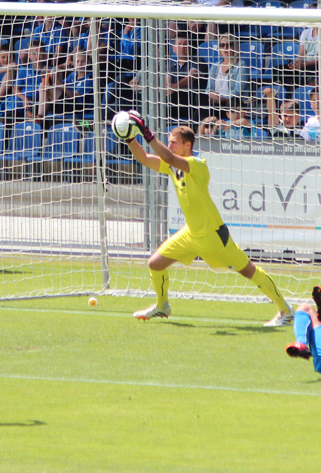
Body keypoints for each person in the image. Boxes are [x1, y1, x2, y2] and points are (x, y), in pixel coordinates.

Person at [117, 118, 293, 323]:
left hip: (213, 234)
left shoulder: (197, 164)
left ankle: (286, 310)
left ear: (187, 145)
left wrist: (147, 133)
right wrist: (129, 138)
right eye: (169, 141)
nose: (170, 145)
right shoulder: (173, 166)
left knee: (248, 270)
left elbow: (168, 157)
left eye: (174, 142)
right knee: (155, 264)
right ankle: (163, 306)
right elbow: (145, 159)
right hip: (191, 233)